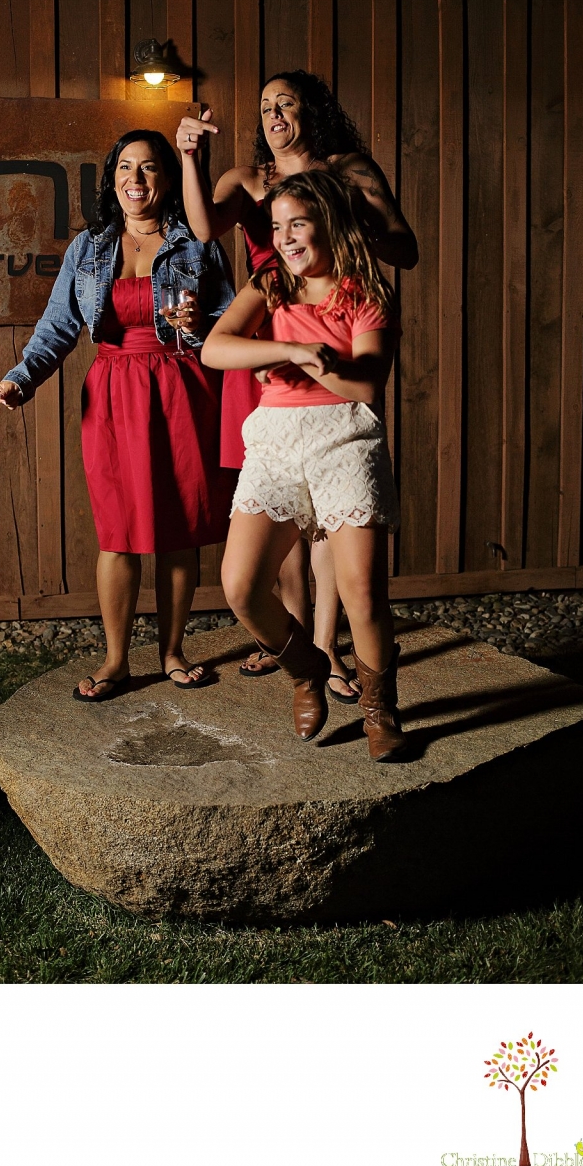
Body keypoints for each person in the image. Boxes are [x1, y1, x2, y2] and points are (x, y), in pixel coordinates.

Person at [176, 69, 417, 702]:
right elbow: (204, 228)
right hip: (268, 330)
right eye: (265, 106)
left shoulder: (350, 171)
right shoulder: (248, 180)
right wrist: (190, 157)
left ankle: (336, 654)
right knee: (280, 507)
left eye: (288, 103)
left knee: (335, 528)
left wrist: (338, 232)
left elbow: (405, 247)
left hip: (330, 342)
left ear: (314, 111)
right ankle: (301, 646)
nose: (275, 114)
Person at [0, 130, 236, 698]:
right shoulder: (91, 247)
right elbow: (59, 326)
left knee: (178, 529)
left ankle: (174, 651)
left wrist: (198, 325)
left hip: (181, 388)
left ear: (169, 179)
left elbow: (230, 323)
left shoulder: (199, 242)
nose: (136, 180)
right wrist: (21, 378)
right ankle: (117, 659)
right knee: (118, 532)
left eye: (150, 168)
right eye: (125, 168)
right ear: (112, 178)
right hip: (112, 395)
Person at [201, 170, 408, 762]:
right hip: (275, 438)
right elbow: (217, 348)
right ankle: (305, 668)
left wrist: (314, 366)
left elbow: (366, 382)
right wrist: (287, 350)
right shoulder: (268, 284)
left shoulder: (365, 292)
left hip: (346, 436)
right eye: (277, 226)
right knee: (240, 586)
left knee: (362, 593)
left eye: (299, 224)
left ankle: (379, 711)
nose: (286, 237)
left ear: (328, 224)